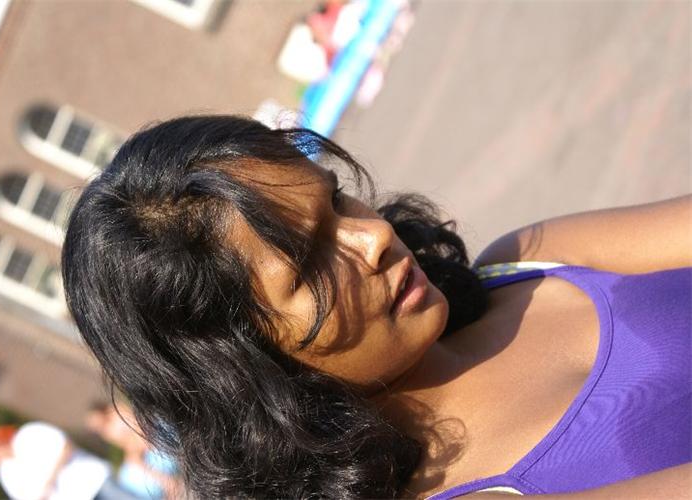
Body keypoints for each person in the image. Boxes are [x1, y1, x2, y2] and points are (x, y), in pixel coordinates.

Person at [61, 115, 691, 498]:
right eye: (309, 264)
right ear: (244, 367)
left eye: (337, 201)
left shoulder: (526, 261)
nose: (374, 237)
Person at [0, 416, 137, 500]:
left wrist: (49, 480)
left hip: (94, 482)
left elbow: (65, 446)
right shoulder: (6, 474)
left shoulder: (28, 434)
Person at [85, 402, 180, 499]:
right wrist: (134, 454)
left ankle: (168, 483)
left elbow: (140, 426)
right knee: (127, 475)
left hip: (151, 438)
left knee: (136, 464)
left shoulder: (117, 411)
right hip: (139, 450)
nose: (96, 428)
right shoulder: (107, 433)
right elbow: (126, 447)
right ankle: (166, 485)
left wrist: (138, 446)